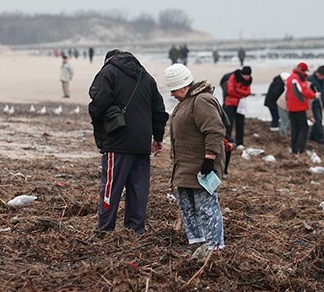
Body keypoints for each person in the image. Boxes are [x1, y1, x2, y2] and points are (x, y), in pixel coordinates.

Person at [88, 49, 169, 234]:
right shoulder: (146, 77)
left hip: (117, 141)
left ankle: (105, 228)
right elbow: (159, 111)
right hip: (142, 143)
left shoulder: (108, 72)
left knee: (111, 187)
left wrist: (100, 121)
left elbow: (97, 103)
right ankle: (135, 229)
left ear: (108, 59)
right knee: (138, 189)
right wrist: (157, 138)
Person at [163, 64, 226, 254]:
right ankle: (197, 244)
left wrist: (209, 159)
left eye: (173, 89)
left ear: (183, 85)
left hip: (200, 168)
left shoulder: (202, 101)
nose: (172, 94)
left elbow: (215, 131)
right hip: (184, 167)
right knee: (187, 207)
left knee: (206, 207)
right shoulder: (186, 102)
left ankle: (215, 247)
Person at [285, 62, 316, 154]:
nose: (305, 73)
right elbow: (304, 91)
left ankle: (294, 149)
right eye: (305, 71)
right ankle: (300, 149)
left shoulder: (290, 78)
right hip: (299, 107)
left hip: (291, 108)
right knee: (303, 128)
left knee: (295, 128)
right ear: (302, 70)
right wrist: (314, 95)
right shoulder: (296, 79)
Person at [222, 66, 252, 149]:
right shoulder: (233, 77)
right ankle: (227, 141)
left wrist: (237, 90)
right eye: (245, 75)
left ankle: (240, 143)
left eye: (248, 76)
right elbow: (230, 91)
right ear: (242, 74)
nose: (247, 77)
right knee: (229, 123)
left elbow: (248, 92)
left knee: (240, 123)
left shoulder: (248, 81)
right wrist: (241, 94)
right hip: (230, 103)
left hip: (241, 105)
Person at [307, 65, 324, 144]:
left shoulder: (323, 80)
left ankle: (312, 136)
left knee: (319, 120)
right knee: (318, 120)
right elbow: (308, 92)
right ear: (317, 73)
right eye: (320, 75)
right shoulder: (311, 80)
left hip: (321, 103)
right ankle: (319, 137)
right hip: (314, 103)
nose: (321, 77)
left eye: (322, 76)